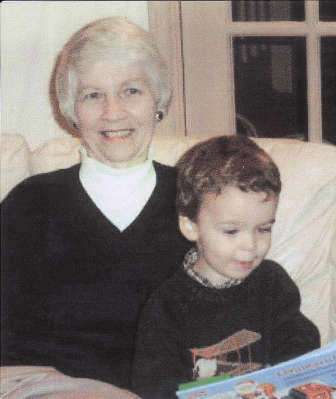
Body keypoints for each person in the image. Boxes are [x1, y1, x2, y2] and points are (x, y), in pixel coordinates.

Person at [0, 17, 192, 390]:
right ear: (72, 110)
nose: (113, 111)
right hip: (46, 383)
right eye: (93, 95)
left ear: (158, 101)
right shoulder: (31, 204)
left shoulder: (197, 200)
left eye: (131, 91)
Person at [130, 135, 321, 399]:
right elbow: (155, 386)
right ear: (190, 226)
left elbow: (299, 346)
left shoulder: (273, 283)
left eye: (264, 229)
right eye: (231, 231)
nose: (251, 246)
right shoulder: (167, 305)